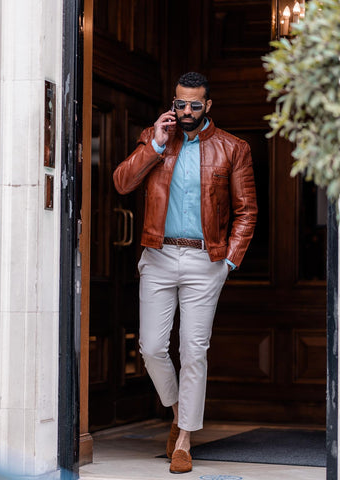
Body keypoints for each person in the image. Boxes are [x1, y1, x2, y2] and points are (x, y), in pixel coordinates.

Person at [113, 72, 257, 474]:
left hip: (204, 261)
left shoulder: (233, 148)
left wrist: (227, 262)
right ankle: (179, 410)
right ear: (172, 104)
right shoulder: (155, 137)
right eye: (181, 104)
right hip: (158, 255)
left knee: (194, 350)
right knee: (153, 347)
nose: (187, 112)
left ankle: (183, 439)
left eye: (195, 104)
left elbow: (247, 211)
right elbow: (122, 182)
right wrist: (155, 144)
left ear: (208, 105)